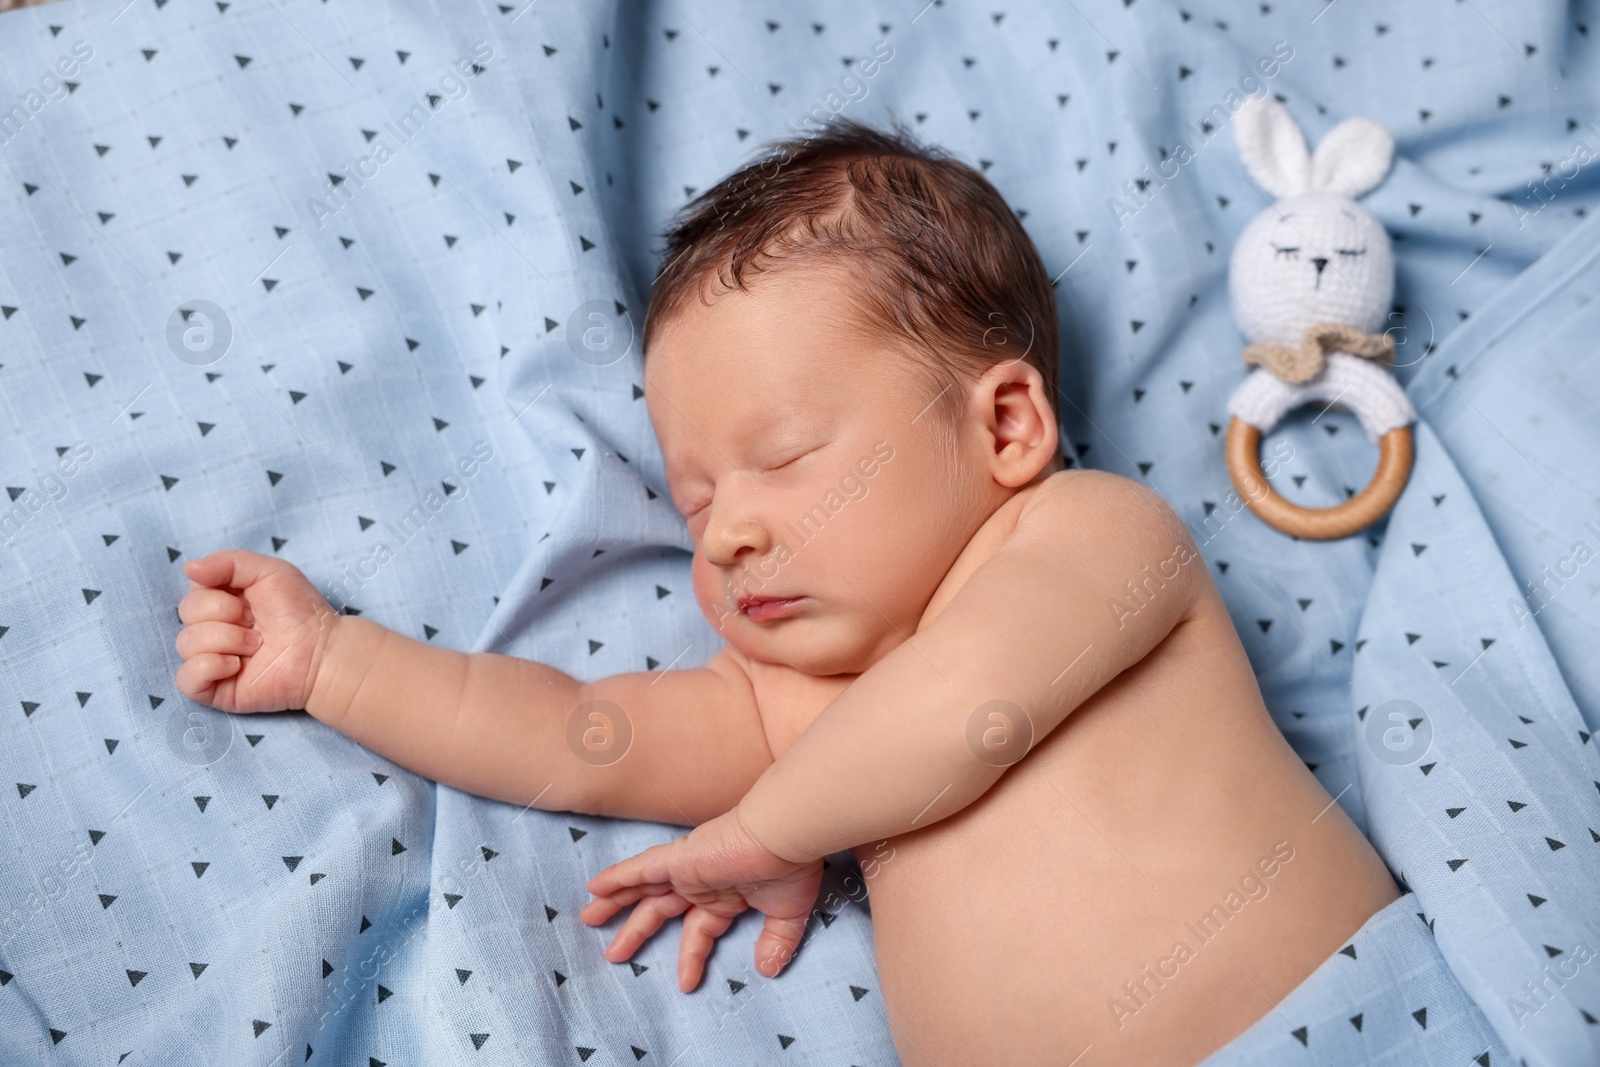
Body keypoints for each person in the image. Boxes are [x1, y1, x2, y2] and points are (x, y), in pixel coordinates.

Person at [174, 117, 1398, 1064]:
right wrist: (336, 662)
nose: (729, 532)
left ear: (1008, 424)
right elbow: (574, 736)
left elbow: (971, 702)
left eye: (785, 457)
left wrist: (768, 830)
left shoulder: (1092, 535)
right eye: (695, 500)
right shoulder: (789, 698)